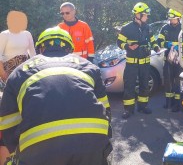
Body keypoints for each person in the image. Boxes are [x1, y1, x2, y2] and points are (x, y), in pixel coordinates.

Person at [0, 27, 112, 165]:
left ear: (41, 48)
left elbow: (8, 123)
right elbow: (106, 111)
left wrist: (17, 152)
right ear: (69, 49)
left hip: (39, 152)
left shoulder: (19, 72)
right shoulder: (89, 67)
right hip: (92, 145)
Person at [0, 11, 36, 165]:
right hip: (8, 71)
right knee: (10, 104)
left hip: (25, 70)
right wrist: (4, 76)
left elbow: (32, 53)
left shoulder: (27, 34)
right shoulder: (4, 35)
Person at [117, 2, 158, 118]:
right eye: (145, 15)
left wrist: (156, 47)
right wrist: (127, 46)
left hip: (145, 63)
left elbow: (152, 40)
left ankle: (143, 106)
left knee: (144, 85)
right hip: (132, 63)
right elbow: (119, 42)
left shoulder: (147, 27)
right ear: (138, 14)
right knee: (129, 86)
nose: (147, 17)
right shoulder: (127, 28)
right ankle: (128, 110)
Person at [157, 9, 183, 112]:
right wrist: (167, 44)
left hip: (179, 60)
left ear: (178, 18)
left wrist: (180, 47)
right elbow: (159, 41)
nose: (171, 20)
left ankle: (177, 104)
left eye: (173, 19)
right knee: (168, 81)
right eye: (170, 19)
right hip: (168, 59)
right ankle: (168, 101)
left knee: (178, 81)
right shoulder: (165, 28)